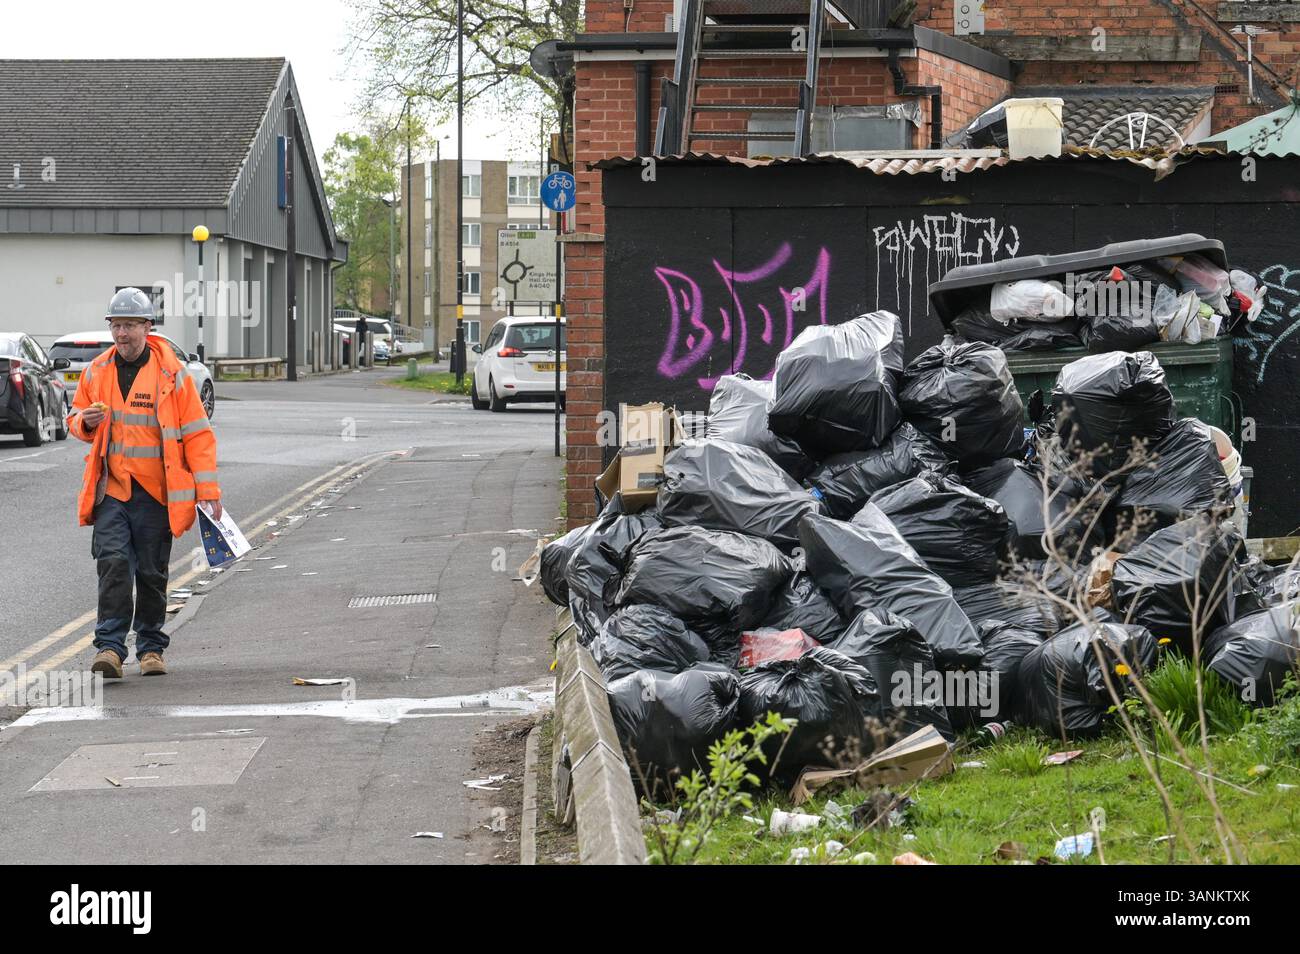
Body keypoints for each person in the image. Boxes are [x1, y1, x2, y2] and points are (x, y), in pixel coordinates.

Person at [68, 288, 222, 678]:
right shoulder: (97, 372)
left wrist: (208, 493)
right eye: (116, 325)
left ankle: (151, 648)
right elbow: (75, 418)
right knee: (113, 564)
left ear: (147, 328)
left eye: (130, 326)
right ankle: (110, 648)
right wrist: (83, 422)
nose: (122, 334)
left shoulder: (173, 376)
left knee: (151, 574)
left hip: (156, 494)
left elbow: (198, 436)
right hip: (112, 493)